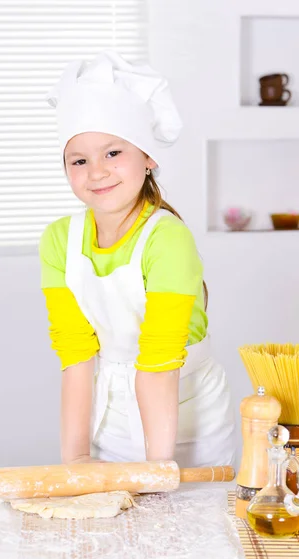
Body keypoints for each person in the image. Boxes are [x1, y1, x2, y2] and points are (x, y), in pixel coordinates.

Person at [39, 50, 235, 467]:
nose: (96, 172)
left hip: (184, 415)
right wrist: (76, 459)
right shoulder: (59, 240)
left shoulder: (167, 239)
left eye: (113, 153)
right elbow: (76, 356)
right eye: (79, 160)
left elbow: (159, 362)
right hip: (106, 414)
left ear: (148, 158)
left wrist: (157, 471)